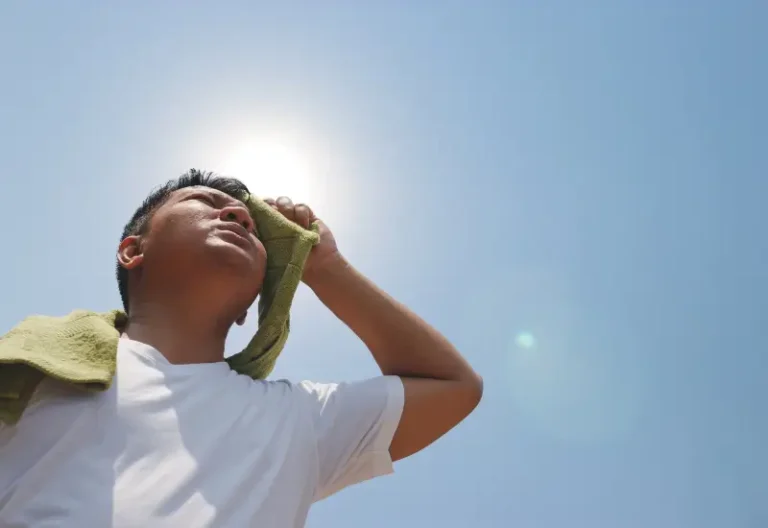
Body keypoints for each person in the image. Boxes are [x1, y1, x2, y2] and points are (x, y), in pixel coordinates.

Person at [0, 169, 483, 527]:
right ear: (133, 251)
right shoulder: (34, 368)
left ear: (248, 307)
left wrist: (326, 268)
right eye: (204, 202)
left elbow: (453, 386)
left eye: (255, 229)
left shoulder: (295, 420)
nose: (235, 215)